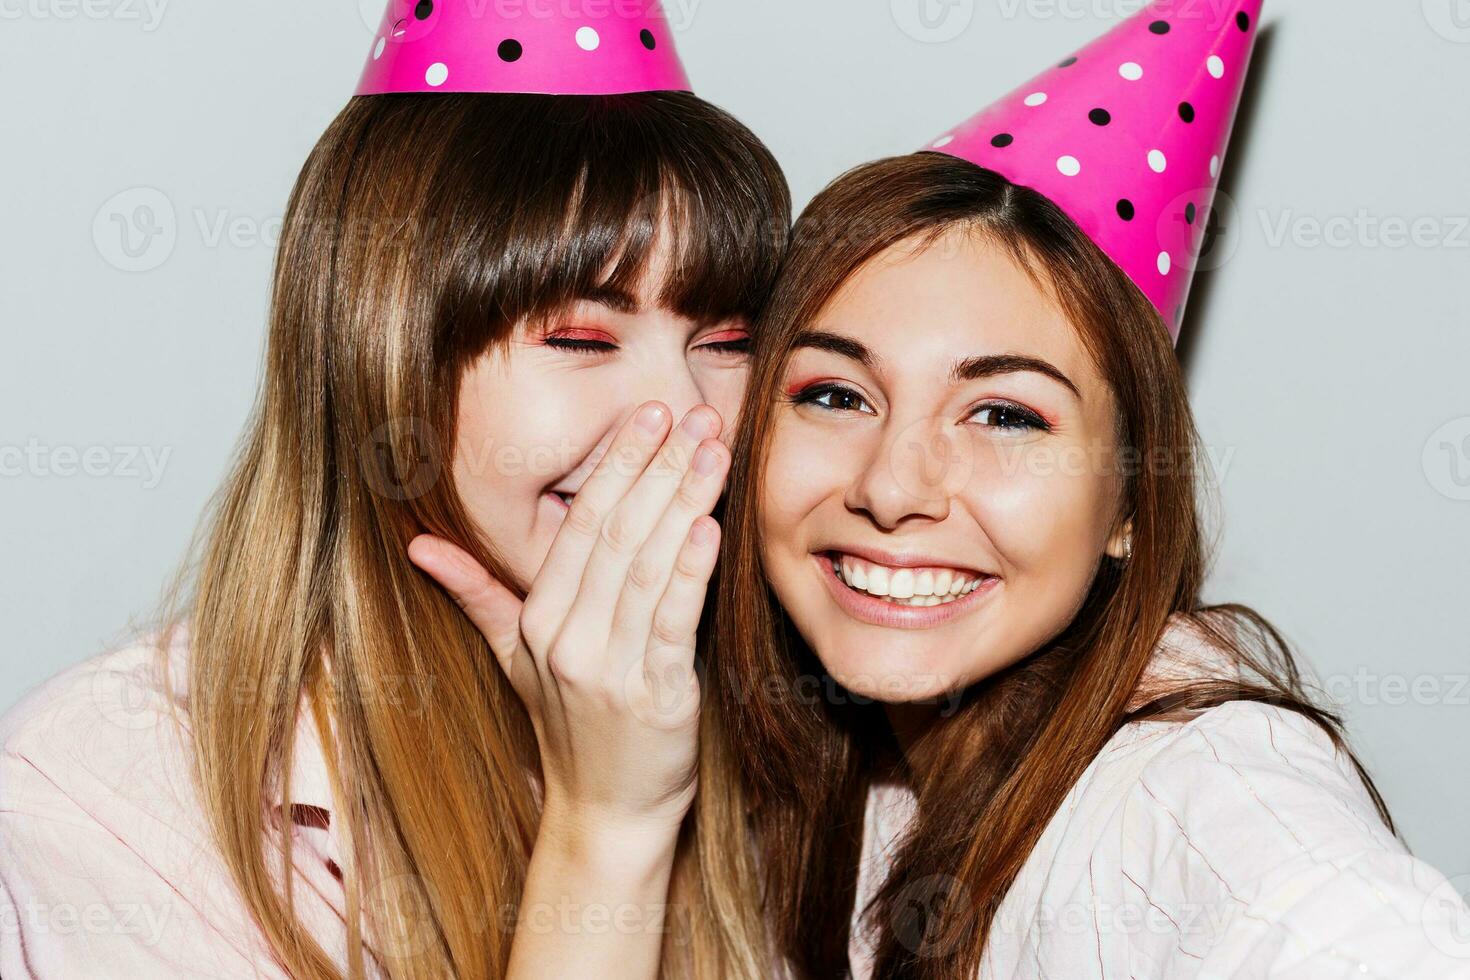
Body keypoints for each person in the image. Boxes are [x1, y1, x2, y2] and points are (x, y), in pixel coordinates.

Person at [0, 2, 789, 977]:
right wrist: (610, 826)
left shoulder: (818, 722)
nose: (682, 412)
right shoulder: (108, 795)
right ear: (383, 358)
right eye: (583, 339)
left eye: (727, 343)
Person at [703, 1, 1470, 975]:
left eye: (1006, 414)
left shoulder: (1189, 793)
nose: (893, 486)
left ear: (1131, 503)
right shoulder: (842, 774)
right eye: (835, 392)